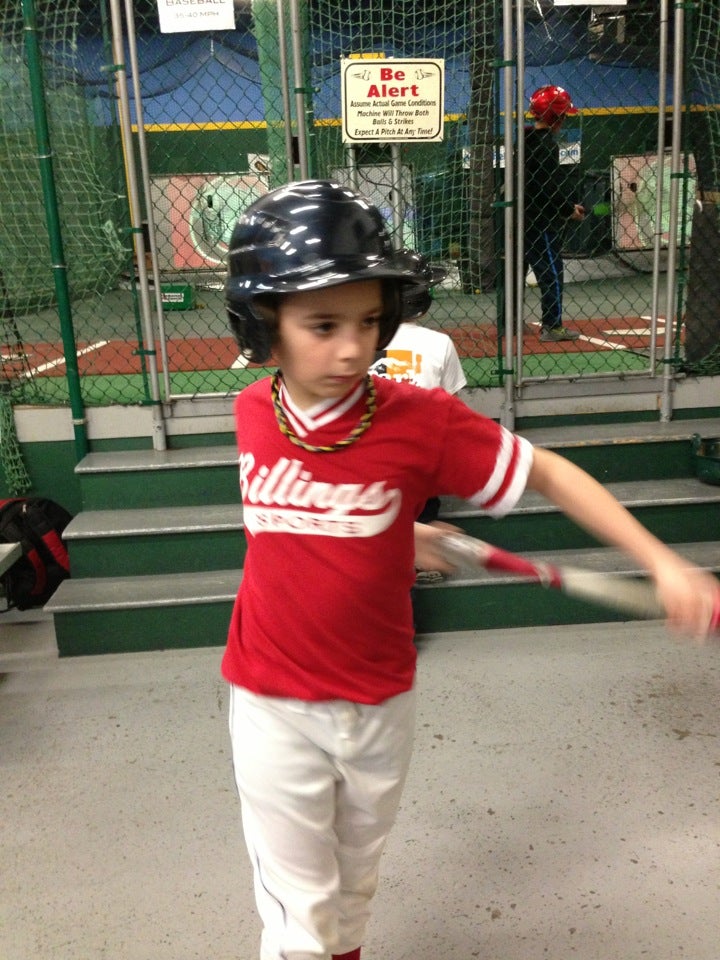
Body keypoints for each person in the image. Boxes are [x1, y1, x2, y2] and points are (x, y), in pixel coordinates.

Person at [222, 180, 719, 960]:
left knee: (354, 882)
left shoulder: (418, 420)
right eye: (322, 324)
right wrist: (384, 533)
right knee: (299, 912)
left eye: (367, 322)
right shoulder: (253, 411)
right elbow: (288, 528)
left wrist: (662, 563)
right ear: (264, 325)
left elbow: (552, 474)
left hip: (381, 694)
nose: (351, 348)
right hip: (272, 696)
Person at [369, 250, 466, 565]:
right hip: (419, 462)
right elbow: (452, 410)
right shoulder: (439, 343)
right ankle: (418, 546)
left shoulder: (360, 338)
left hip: (367, 460)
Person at [522, 84, 585, 342]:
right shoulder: (547, 147)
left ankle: (534, 323)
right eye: (563, 115)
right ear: (555, 117)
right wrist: (568, 210)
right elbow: (548, 188)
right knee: (552, 272)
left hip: (525, 218)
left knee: (538, 271)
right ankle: (553, 325)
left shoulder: (526, 139)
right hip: (540, 221)